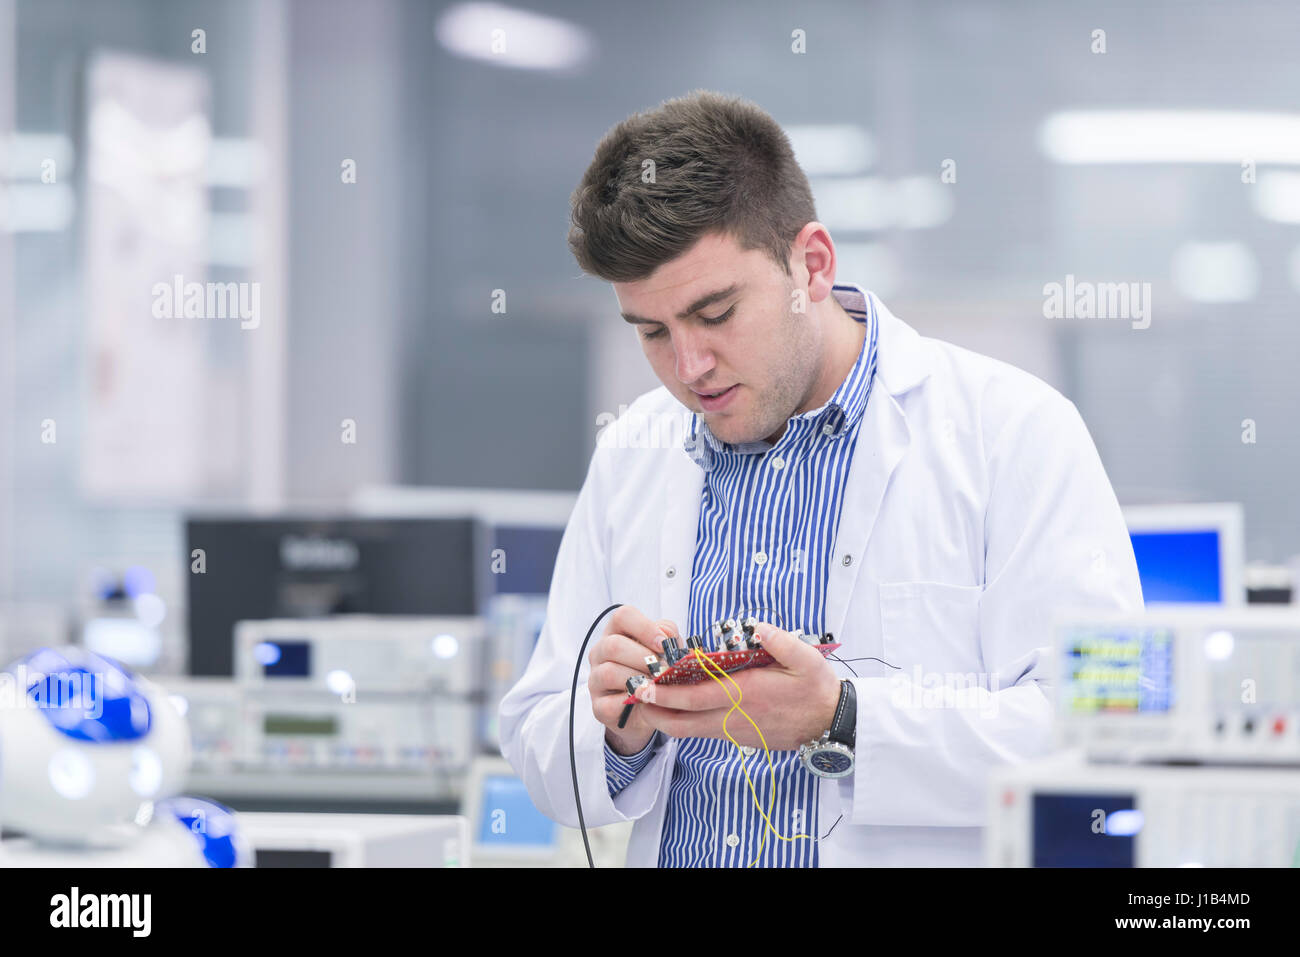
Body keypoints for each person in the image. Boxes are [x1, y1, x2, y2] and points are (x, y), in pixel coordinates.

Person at [498, 89, 1142, 867]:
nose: (688, 366)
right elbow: (540, 731)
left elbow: (1101, 734)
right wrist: (613, 728)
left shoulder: (1011, 432)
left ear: (811, 264)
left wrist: (842, 717)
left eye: (716, 312)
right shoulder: (635, 447)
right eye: (652, 331)